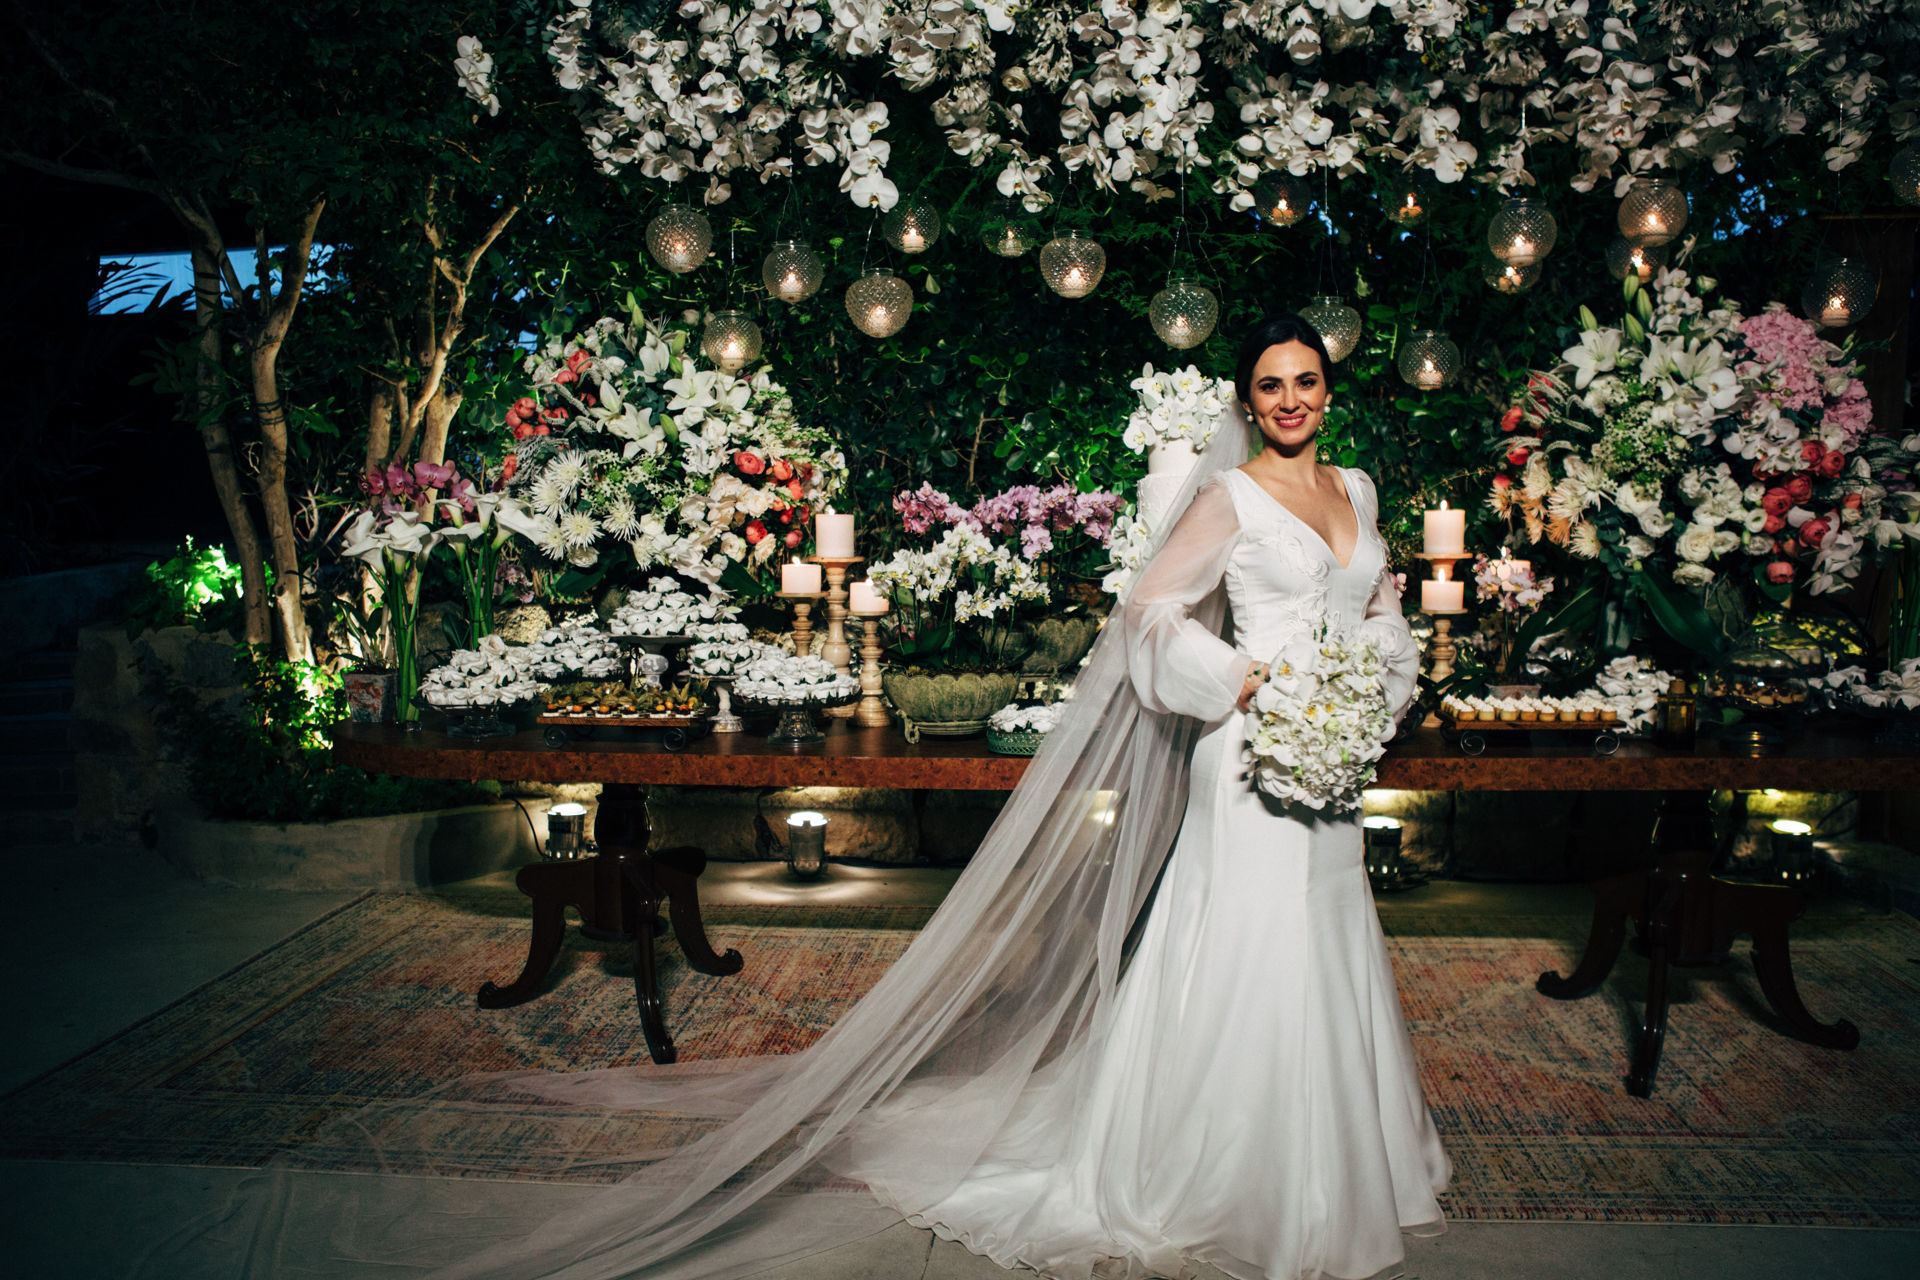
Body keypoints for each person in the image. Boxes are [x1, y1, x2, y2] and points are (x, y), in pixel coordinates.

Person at [197, 316, 1448, 1280]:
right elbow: (1148, 619)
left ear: (1329, 388)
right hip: (1250, 750)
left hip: (1331, 761)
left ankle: (1340, 1159)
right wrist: (1242, 680)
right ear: (1249, 401)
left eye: (1308, 380)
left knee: (1328, 941)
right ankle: (1220, 1164)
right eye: (1271, 384)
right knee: (1248, 947)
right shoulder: (1227, 497)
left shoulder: (1361, 494)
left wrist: (1371, 685)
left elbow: (1377, 611)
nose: (1291, 399)